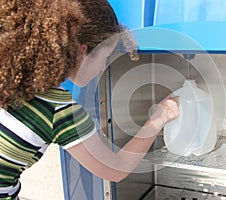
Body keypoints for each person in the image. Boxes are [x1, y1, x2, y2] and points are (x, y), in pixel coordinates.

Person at [0, 0, 179, 199]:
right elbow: (116, 169)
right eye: (104, 57)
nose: (103, 67)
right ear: (84, 50)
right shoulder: (58, 110)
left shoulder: (9, 72)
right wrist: (159, 118)